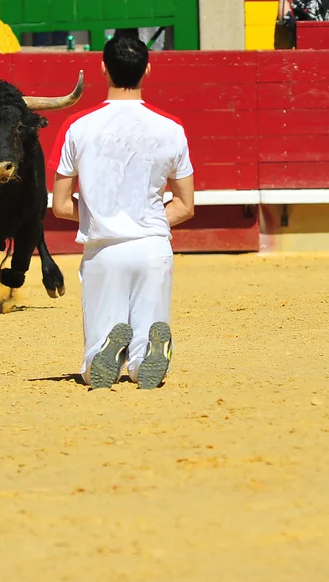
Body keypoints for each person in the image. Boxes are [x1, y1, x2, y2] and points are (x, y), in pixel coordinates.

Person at [49, 33, 195, 390]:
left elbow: (61, 205)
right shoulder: (171, 128)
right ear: (147, 69)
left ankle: (103, 358)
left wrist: (99, 213)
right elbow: (186, 205)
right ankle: (144, 358)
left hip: (104, 250)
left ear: (102, 68)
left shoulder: (77, 127)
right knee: (144, 354)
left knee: (92, 363)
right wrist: (149, 220)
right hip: (153, 248)